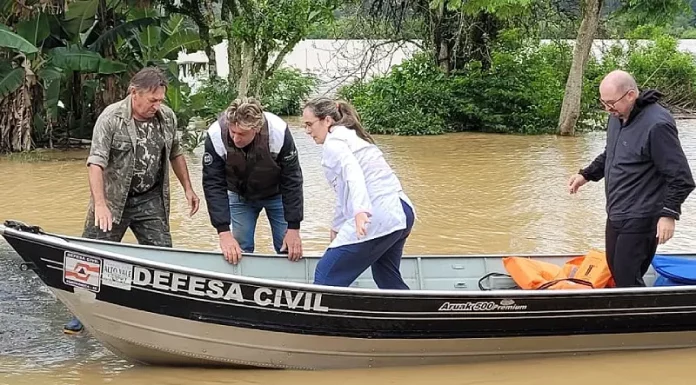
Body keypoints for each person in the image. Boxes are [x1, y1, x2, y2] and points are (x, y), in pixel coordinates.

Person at [63, 66, 200, 334]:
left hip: (150, 198)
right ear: (134, 93)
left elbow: (176, 152)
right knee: (90, 257)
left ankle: (164, 313)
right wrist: (100, 204)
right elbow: (96, 163)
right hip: (113, 200)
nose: (157, 105)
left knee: (163, 258)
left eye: (161, 99)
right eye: (152, 100)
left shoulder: (167, 117)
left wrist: (188, 189)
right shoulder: (111, 118)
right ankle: (80, 314)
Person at [568, 69, 695, 288]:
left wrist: (669, 214)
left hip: (642, 217)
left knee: (627, 277)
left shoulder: (658, 125)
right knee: (616, 269)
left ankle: (640, 320)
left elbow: (681, 177)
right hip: (617, 211)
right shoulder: (617, 118)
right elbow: (612, 154)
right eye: (603, 103)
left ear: (630, 95)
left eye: (611, 103)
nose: (608, 109)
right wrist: (586, 174)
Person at [301, 97, 416, 289]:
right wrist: (337, 228)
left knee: (326, 275)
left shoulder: (334, 142)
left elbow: (352, 171)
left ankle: (327, 319)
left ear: (327, 120)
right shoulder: (350, 136)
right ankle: (414, 317)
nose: (307, 131)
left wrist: (361, 211)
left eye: (309, 124)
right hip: (402, 211)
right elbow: (343, 191)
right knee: (386, 276)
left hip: (378, 214)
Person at [202, 97, 304, 264]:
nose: (235, 139)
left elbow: (292, 179)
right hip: (239, 195)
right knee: (238, 250)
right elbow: (213, 184)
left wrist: (294, 227)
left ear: (256, 129)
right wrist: (223, 232)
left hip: (277, 194)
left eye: (241, 134)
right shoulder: (215, 135)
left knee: (289, 249)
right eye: (232, 132)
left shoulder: (277, 131)